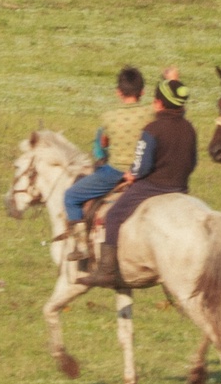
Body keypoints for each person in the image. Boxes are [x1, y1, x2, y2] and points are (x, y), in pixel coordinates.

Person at [79, 70, 196, 289]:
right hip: (181, 187)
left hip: (152, 187)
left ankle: (106, 270)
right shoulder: (189, 128)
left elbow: (141, 166)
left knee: (113, 216)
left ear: (158, 104)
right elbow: (193, 161)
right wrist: (172, 80)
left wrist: (132, 175)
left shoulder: (152, 129)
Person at [62, 67, 146, 241]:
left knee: (71, 196)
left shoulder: (109, 117)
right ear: (142, 92)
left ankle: (81, 244)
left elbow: (103, 143)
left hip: (116, 173)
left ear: (118, 93)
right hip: (144, 171)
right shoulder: (150, 113)